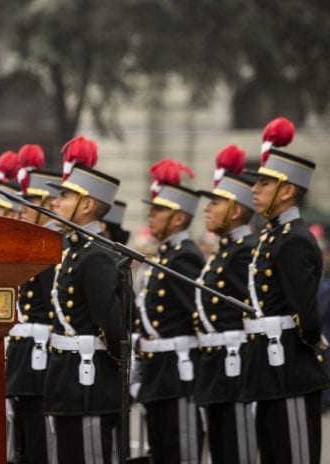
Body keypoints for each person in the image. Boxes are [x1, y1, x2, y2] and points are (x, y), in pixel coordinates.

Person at [240, 117, 330, 464]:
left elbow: (307, 318)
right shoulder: (272, 235)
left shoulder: (293, 240)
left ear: (287, 190)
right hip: (268, 370)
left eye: (263, 183)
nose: (254, 190)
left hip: (289, 369)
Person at [42, 149, 123, 463]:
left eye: (64, 196)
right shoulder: (75, 251)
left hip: (90, 382)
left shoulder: (96, 255)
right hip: (68, 381)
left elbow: (113, 326)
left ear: (87, 205)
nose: (55, 203)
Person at [134, 158, 204, 464]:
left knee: (181, 452)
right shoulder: (164, 256)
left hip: (179, 374)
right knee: (160, 452)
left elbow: (200, 317)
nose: (150, 214)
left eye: (158, 209)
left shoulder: (185, 257)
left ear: (177, 218)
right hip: (158, 373)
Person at [195, 145, 258, 464]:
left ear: (235, 210)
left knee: (238, 451)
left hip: (236, 367)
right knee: (221, 451)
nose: (207, 209)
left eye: (215, 203)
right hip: (215, 367)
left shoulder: (246, 250)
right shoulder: (224, 251)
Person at [5, 158, 61, 463]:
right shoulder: (34, 245)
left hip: (42, 363)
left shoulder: (54, 249)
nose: (21, 208)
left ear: (48, 205)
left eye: (30, 201)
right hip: (23, 362)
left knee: (40, 447)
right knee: (23, 449)